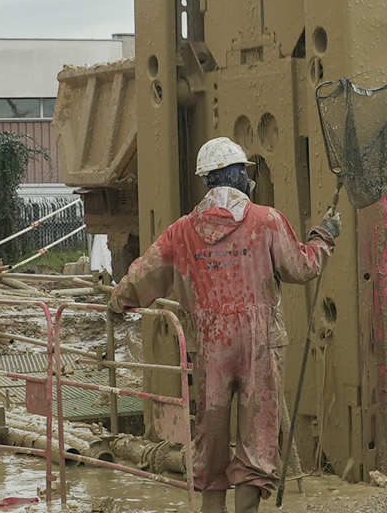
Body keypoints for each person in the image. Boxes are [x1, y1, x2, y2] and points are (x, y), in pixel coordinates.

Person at [109, 137, 341, 513]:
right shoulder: (266, 220)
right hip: (261, 344)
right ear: (237, 176)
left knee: (211, 434)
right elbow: (303, 267)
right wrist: (324, 236)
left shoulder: (181, 231)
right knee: (259, 436)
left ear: (207, 181)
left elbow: (145, 274)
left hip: (209, 345)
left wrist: (119, 298)